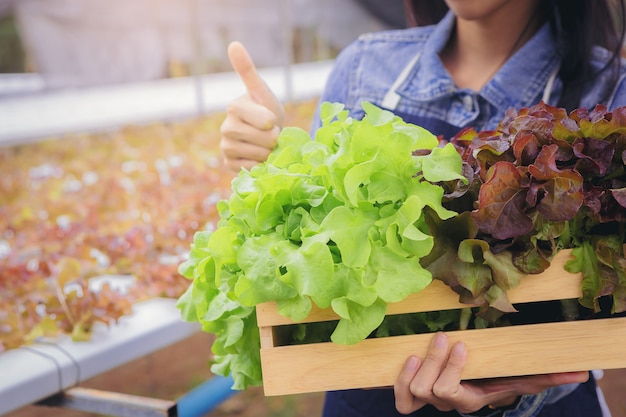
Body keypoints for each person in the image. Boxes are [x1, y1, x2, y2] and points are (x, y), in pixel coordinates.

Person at [220, 0, 626, 416]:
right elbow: (314, 255)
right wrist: (275, 163)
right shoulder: (364, 67)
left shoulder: (613, 89)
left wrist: (516, 386)